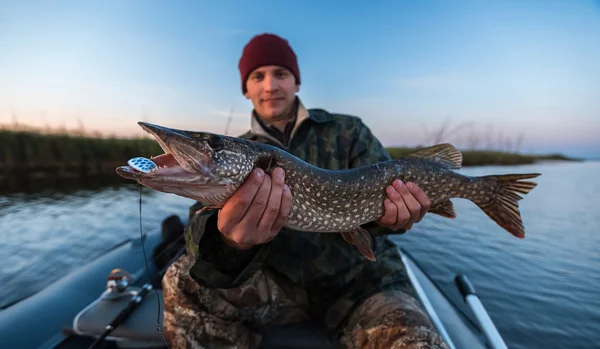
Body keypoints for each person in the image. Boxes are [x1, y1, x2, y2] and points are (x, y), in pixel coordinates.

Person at [162, 33, 449, 349]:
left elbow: (385, 203)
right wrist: (229, 241)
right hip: (276, 287)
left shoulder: (348, 131)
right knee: (180, 281)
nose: (270, 85)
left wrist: (394, 218)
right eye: (258, 76)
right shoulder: (237, 153)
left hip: (359, 284)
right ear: (247, 89)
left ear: (296, 82)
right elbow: (199, 237)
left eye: (280, 74)